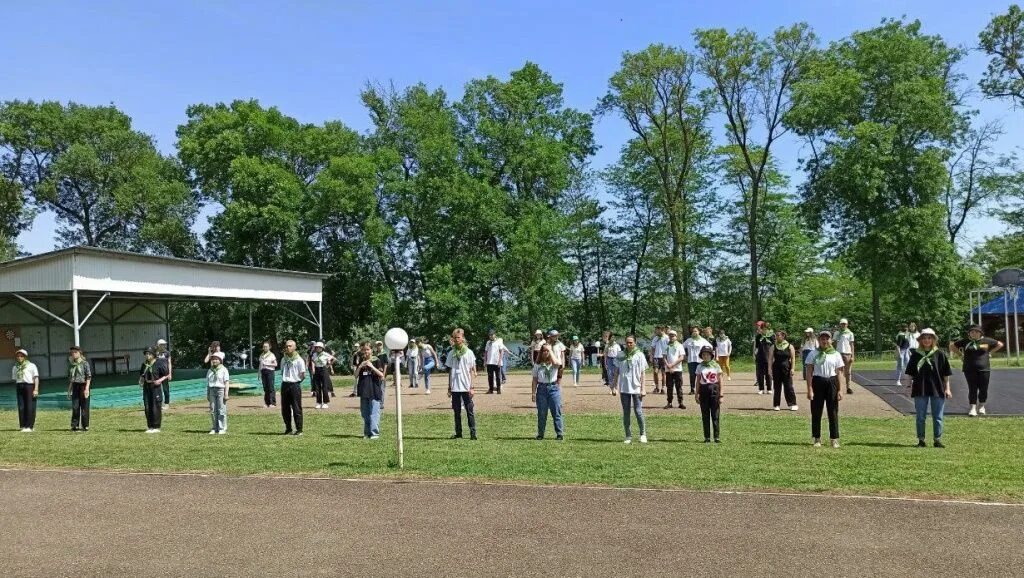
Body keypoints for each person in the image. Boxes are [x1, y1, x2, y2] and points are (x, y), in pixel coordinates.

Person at [907, 328, 953, 447]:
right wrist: (908, 386)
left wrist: (947, 388)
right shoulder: (916, 354)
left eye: (929, 338)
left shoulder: (940, 354)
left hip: (937, 388)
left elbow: (946, 374)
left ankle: (937, 439)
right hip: (920, 388)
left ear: (933, 339)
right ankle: (921, 439)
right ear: (920, 340)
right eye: (924, 338)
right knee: (920, 416)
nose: (926, 340)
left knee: (938, 416)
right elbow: (910, 372)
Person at [950, 326, 1003, 417]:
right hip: (969, 369)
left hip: (984, 369)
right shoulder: (965, 341)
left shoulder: (987, 340)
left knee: (983, 388)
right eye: (971, 332)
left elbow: (1000, 344)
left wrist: (990, 353)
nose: (973, 333)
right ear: (969, 333)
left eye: (976, 332)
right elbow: (952, 346)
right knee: (972, 389)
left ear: (980, 333)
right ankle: (972, 408)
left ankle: (982, 406)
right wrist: (960, 355)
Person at [804, 331, 844, 448]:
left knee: (833, 411)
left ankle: (834, 438)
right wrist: (809, 389)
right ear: (819, 340)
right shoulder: (813, 354)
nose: (825, 341)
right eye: (822, 339)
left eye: (827, 339)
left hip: (831, 382)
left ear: (831, 340)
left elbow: (839, 373)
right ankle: (817, 438)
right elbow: (809, 371)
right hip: (818, 381)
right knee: (816, 411)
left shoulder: (836, 354)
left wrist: (840, 390)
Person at [613, 335, 648, 444]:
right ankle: (628, 435)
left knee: (638, 411)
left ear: (635, 343)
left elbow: (643, 373)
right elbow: (616, 372)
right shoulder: (620, 355)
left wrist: (643, 388)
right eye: (627, 342)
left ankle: (643, 434)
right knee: (626, 412)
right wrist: (614, 386)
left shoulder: (639, 355)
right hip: (624, 388)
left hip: (636, 388)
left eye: (631, 343)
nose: (629, 344)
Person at [446, 328, 478, 440]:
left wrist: (472, 387)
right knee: (456, 412)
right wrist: (449, 387)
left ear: (462, 338)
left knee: (470, 410)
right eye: (455, 338)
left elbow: (471, 371)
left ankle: (473, 433)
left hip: (466, 387)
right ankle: (458, 433)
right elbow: (450, 371)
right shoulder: (451, 353)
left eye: (458, 337)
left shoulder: (469, 352)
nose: (457, 339)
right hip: (455, 387)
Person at [531, 344, 564, 440]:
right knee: (542, 413)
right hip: (541, 389)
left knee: (556, 412)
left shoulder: (553, 363)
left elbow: (558, 364)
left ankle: (559, 433)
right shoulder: (538, 365)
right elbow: (534, 380)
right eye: (544, 350)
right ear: (541, 352)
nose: (546, 352)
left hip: (553, 388)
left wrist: (551, 350)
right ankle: (540, 434)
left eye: (547, 351)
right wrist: (533, 393)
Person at [355, 342, 387, 439]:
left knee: (374, 412)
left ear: (371, 350)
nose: (366, 352)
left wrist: (371, 366)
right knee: (365, 413)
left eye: (368, 349)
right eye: (364, 350)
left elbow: (381, 375)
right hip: (363, 390)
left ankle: (374, 433)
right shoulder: (361, 361)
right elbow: (355, 375)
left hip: (374, 390)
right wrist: (360, 366)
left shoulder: (376, 360)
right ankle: (367, 433)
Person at [695, 346, 723, 443]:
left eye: (707, 354)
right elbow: (698, 381)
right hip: (703, 391)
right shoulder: (699, 366)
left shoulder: (716, 366)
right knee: (705, 415)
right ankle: (707, 437)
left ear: (711, 355)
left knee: (715, 414)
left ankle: (716, 436)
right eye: (704, 355)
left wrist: (721, 394)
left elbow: (720, 380)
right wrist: (696, 394)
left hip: (714, 390)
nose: (706, 356)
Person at [279, 339, 307, 436]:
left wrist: (297, 382)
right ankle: (288, 429)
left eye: (290, 346)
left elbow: (303, 374)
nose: (288, 348)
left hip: (295, 384)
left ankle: (299, 429)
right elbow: (282, 371)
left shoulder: (299, 360)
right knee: (285, 408)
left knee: (296, 407)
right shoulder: (283, 359)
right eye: (286, 346)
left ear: (295, 347)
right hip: (285, 384)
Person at [139, 348, 169, 433]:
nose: (147, 355)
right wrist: (140, 381)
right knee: (147, 406)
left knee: (156, 406)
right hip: (147, 386)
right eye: (146, 354)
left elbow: (166, 374)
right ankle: (150, 426)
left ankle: (156, 426)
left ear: (153, 354)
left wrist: (160, 380)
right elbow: (142, 375)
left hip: (155, 387)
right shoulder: (145, 364)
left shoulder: (159, 363)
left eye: (149, 354)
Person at [768, 330, 798, 411]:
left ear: (783, 336)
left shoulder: (789, 346)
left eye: (778, 335)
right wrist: (769, 369)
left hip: (787, 368)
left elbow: (793, 358)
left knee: (788, 386)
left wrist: (792, 368)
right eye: (776, 335)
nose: (776, 337)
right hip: (776, 368)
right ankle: (776, 405)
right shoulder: (773, 346)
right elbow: (770, 359)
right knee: (777, 387)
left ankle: (792, 404)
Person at [11, 349, 39, 433]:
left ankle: (29, 426)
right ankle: (23, 425)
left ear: (25, 357)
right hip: (19, 385)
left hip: (29, 385)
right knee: (21, 406)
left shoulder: (31, 365)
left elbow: (36, 377)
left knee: (29, 406)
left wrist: (36, 389)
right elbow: (15, 378)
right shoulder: (15, 367)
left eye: (21, 356)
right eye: (18, 356)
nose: (19, 357)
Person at [67, 346, 92, 431]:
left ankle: (85, 425)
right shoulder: (72, 365)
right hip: (75, 386)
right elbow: (71, 379)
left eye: (75, 352)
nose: (73, 354)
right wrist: (69, 390)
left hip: (83, 386)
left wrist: (87, 388)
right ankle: (75, 425)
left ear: (79, 353)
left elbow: (88, 377)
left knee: (84, 407)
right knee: (75, 406)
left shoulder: (85, 363)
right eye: (72, 353)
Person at [681, 326, 711, 395]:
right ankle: (692, 389)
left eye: (696, 331)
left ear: (699, 332)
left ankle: (701, 389)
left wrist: (705, 353)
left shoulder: (702, 340)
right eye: (693, 331)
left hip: (700, 361)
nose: (694, 332)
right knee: (692, 375)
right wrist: (684, 355)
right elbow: (681, 347)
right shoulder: (689, 340)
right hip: (691, 360)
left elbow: (710, 347)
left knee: (700, 375)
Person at [206, 351, 230, 434]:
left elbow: (226, 382)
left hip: (221, 390)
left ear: (220, 360)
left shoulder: (224, 370)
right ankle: (214, 427)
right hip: (212, 390)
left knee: (221, 409)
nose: (214, 361)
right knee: (212, 409)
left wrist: (226, 393)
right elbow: (208, 383)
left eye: (216, 359)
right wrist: (208, 393)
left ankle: (221, 427)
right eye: (213, 359)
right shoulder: (210, 370)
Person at [663, 330, 686, 409]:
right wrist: (668, 366)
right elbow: (664, 357)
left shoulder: (680, 345)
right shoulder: (666, 346)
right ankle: (669, 402)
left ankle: (680, 402)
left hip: (677, 369)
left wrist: (672, 365)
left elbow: (681, 357)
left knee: (678, 386)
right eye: (670, 336)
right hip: (668, 370)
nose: (671, 337)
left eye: (673, 336)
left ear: (676, 337)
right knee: (669, 387)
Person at [834, 318, 856, 394]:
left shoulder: (850, 333)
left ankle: (848, 387)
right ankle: (838, 387)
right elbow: (834, 344)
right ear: (840, 324)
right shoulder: (837, 333)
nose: (843, 325)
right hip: (838, 353)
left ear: (847, 324)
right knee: (838, 371)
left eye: (844, 324)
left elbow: (852, 345)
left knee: (848, 372)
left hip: (847, 353)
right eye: (842, 324)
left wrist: (853, 356)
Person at [484, 329, 509, 394]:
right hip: (489, 362)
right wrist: (485, 361)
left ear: (495, 335)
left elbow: (501, 351)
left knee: (498, 376)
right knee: (490, 376)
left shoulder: (499, 342)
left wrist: (499, 361)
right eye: (490, 335)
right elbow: (486, 352)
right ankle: (491, 389)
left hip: (496, 362)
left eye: (492, 334)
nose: (491, 336)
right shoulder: (488, 342)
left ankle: (498, 389)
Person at [753, 322, 774, 395]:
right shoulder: (758, 336)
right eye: (763, 328)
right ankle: (761, 388)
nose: (765, 330)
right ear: (761, 329)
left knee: (769, 373)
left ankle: (769, 388)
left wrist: (774, 356)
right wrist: (754, 354)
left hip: (768, 357)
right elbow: (756, 347)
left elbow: (774, 346)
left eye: (766, 329)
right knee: (760, 374)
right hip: (760, 357)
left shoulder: (771, 336)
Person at [649, 326, 668, 395]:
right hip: (656, 357)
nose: (655, 331)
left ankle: (663, 388)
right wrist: (651, 356)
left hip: (664, 357)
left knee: (663, 373)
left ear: (661, 330)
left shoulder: (667, 338)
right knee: (655, 372)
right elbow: (652, 348)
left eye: (657, 330)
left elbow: (669, 347)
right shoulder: (655, 338)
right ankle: (657, 387)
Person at [258, 341, 278, 408]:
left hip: (270, 371)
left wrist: (267, 364)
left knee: (270, 387)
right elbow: (260, 365)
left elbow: (275, 364)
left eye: (266, 346)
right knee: (265, 387)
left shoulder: (272, 355)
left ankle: (273, 403)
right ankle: (267, 403)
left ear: (269, 347)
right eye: (264, 346)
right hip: (263, 372)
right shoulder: (261, 355)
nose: (265, 348)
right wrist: (259, 374)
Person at [156, 338, 172, 409]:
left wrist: (170, 373)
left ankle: (167, 403)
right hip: (156, 374)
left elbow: (169, 363)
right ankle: (159, 403)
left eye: (164, 344)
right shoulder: (155, 353)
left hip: (165, 373)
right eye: (162, 345)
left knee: (165, 389)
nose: (164, 346)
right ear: (158, 345)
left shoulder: (167, 353)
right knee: (157, 389)